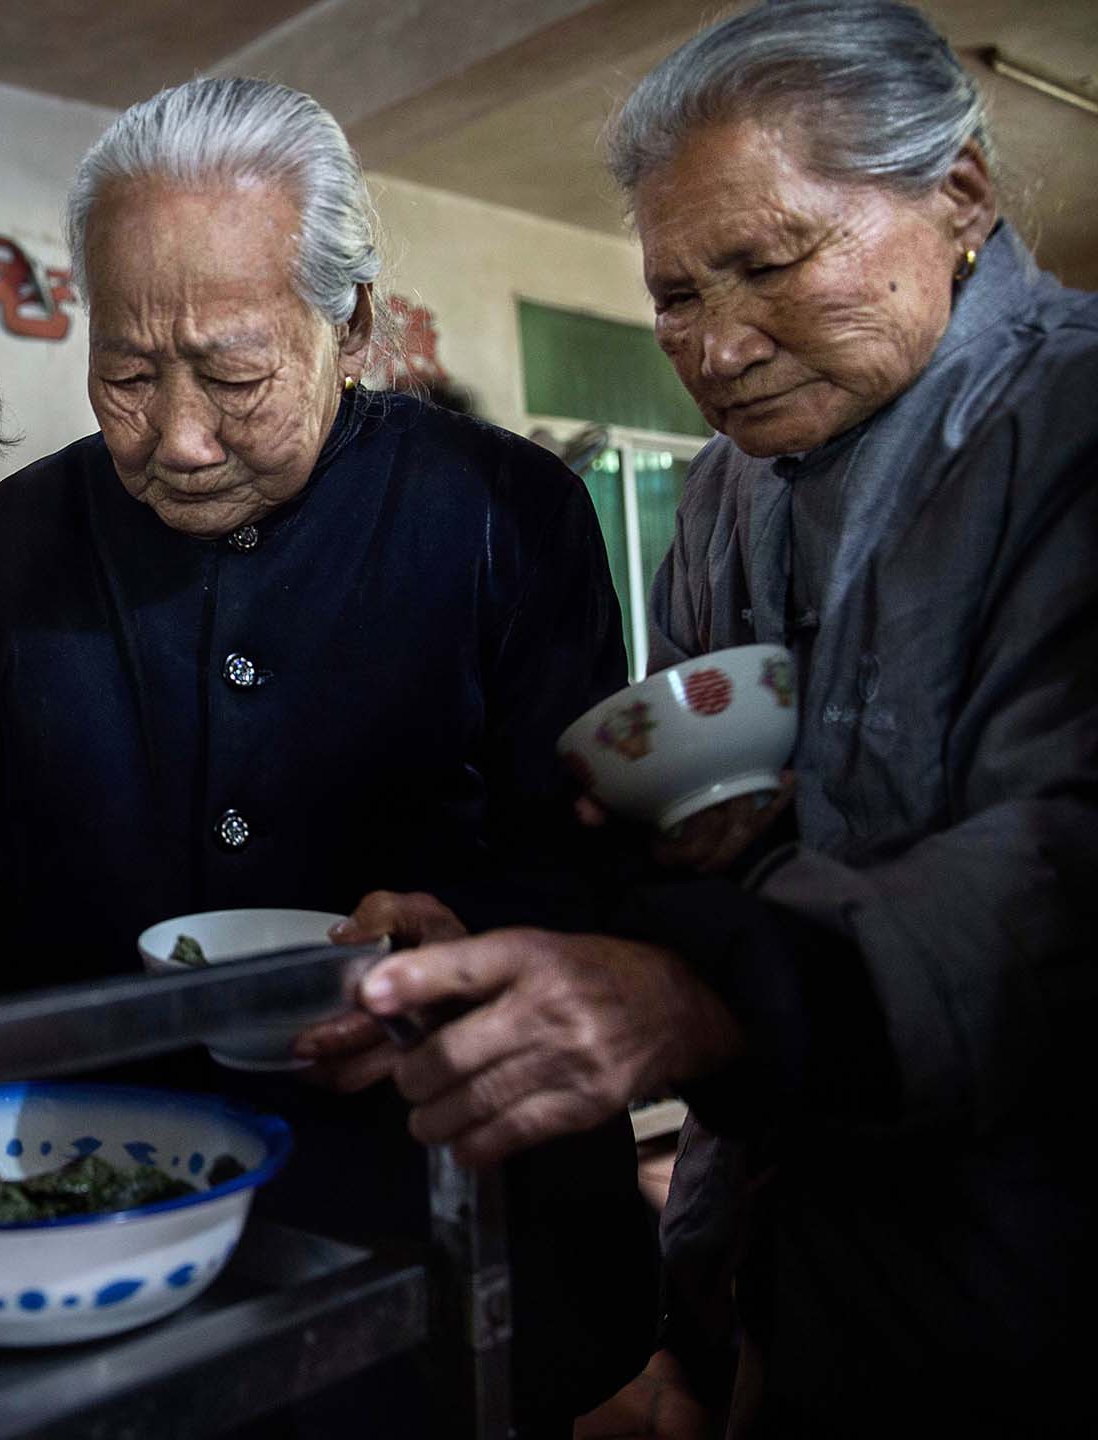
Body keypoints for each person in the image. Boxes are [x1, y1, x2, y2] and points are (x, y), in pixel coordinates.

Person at [0, 77, 654, 1430]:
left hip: (432, 1189)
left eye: (236, 376)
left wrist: (464, 930)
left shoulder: (502, 515)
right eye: (126, 376)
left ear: (351, 325)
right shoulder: (4, 557)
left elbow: (586, 853)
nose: (179, 439)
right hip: (99, 1206)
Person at [340, 4, 1098, 1433]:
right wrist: (541, 942)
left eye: (770, 263)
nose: (721, 345)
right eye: (678, 296)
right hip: (802, 1264)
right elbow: (678, 852)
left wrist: (704, 994)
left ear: (961, 196)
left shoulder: (1070, 424)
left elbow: (1060, 871)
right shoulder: (732, 493)